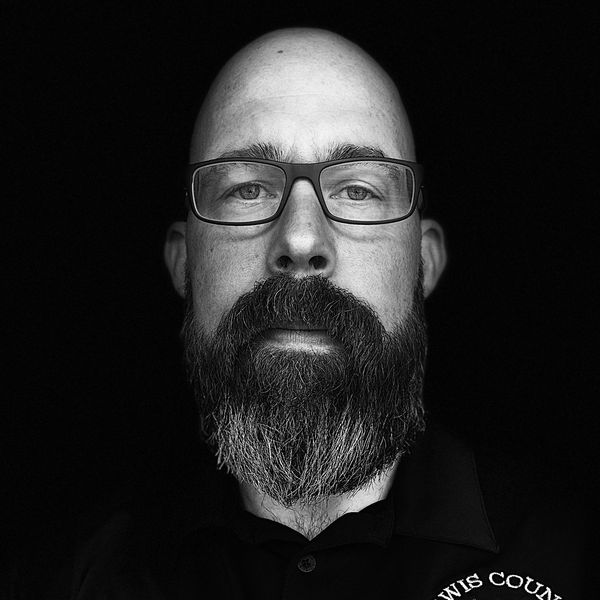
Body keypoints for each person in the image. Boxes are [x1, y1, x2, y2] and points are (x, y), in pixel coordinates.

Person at [17, 27, 586, 600]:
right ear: (185, 262)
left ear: (424, 262)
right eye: (248, 189)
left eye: (358, 190)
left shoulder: (574, 554)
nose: (301, 239)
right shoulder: (71, 576)